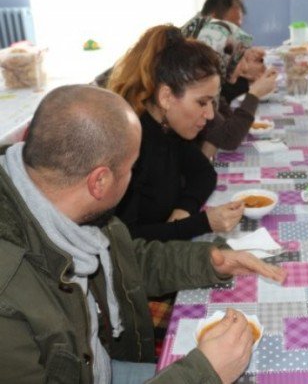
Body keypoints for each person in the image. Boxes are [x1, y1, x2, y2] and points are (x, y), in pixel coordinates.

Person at [0, 84, 286, 383]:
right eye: (131, 168)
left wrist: (208, 261)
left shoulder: (63, 202)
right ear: (99, 182)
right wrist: (203, 375)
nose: (134, 177)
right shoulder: (7, 296)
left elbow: (127, 260)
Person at [108, 25, 245, 242]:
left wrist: (184, 210)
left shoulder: (167, 128)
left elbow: (204, 174)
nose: (210, 114)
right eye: (202, 102)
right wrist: (203, 223)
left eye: (212, 102)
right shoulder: (128, 146)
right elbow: (126, 240)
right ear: (166, 97)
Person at [181, 0, 278, 157]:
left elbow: (226, 124)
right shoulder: (196, 87)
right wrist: (254, 94)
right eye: (240, 58)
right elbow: (229, 138)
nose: (246, 67)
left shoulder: (215, 88)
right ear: (221, 57)